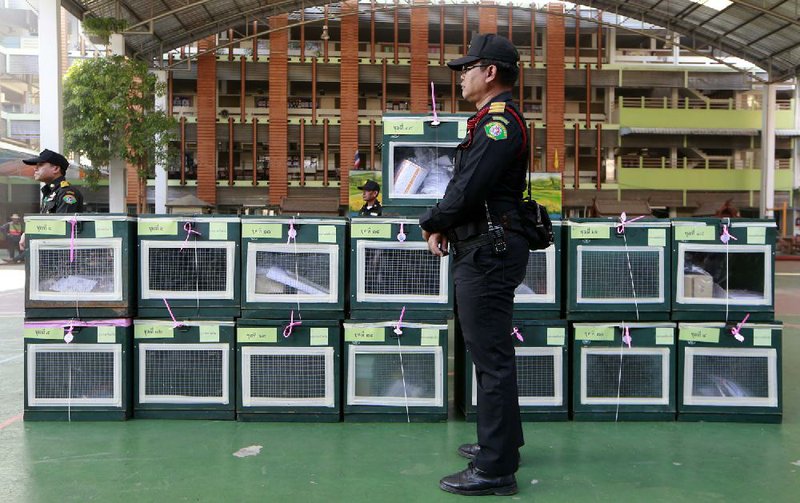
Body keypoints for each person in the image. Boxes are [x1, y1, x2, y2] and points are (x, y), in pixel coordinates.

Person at [419, 33, 530, 496]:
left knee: (492, 360)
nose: (460, 75)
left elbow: (469, 189)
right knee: (489, 357)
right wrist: (448, 224)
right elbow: (468, 186)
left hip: (489, 251)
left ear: (490, 72)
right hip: (483, 246)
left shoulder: (498, 124)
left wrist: (431, 221)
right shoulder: (486, 121)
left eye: (467, 67)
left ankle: (496, 467)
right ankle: (501, 444)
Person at [18, 149, 83, 252]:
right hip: (49, 252)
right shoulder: (49, 192)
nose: (35, 168)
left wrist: (31, 232)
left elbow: (63, 227)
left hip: (62, 256)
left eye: (40, 165)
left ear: (56, 168)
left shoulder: (66, 192)